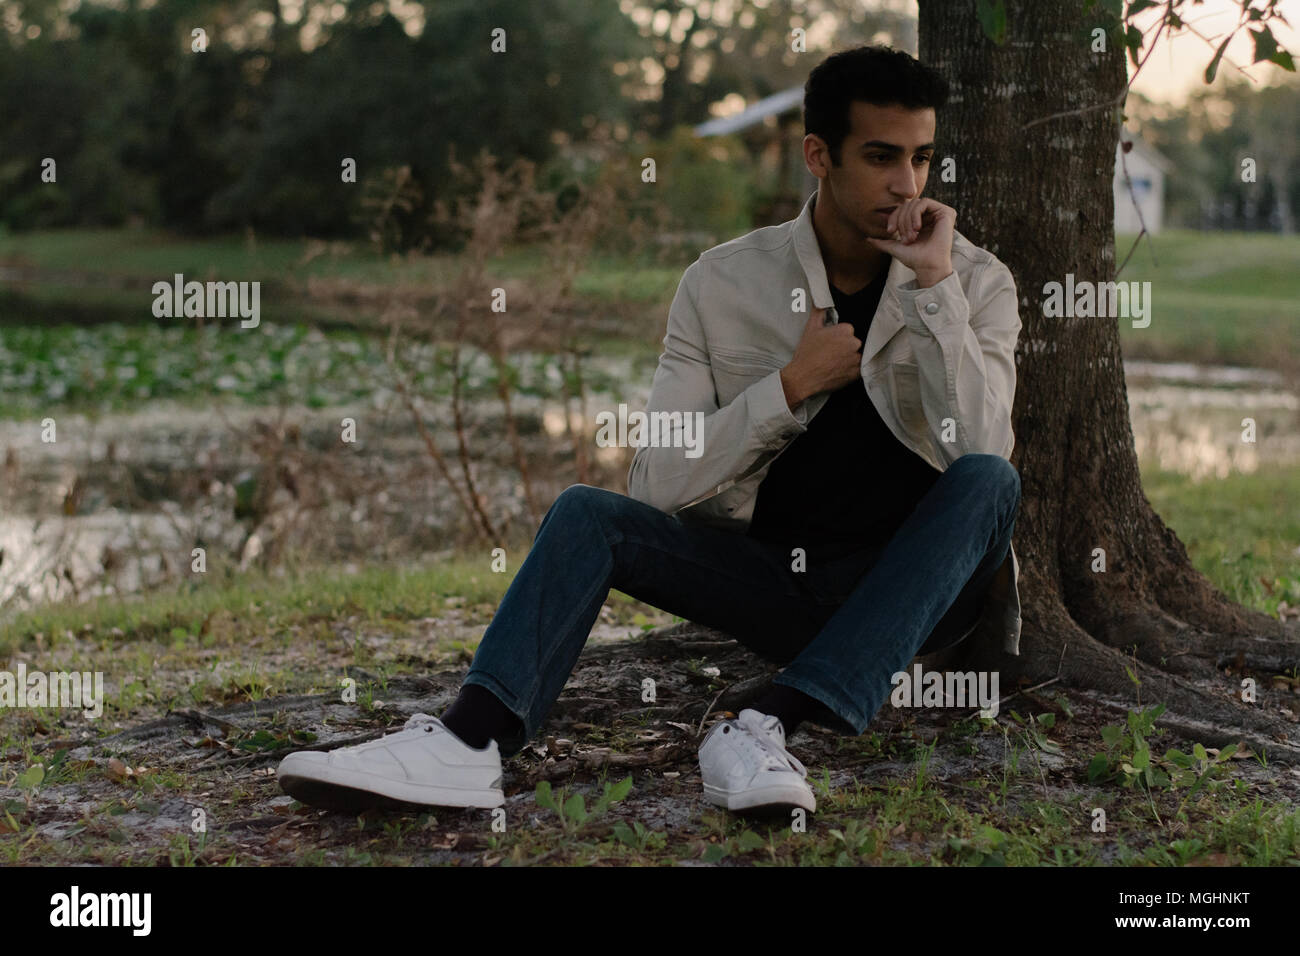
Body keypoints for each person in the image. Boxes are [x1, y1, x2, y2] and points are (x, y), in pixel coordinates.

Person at [277, 44, 1024, 817]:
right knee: (586, 513)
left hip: (911, 592)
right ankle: (469, 743)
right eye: (880, 157)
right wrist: (789, 386)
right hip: (770, 580)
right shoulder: (721, 283)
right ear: (818, 156)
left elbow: (980, 452)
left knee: (991, 480)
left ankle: (765, 722)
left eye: (920, 159)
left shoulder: (973, 281)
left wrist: (934, 290)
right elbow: (658, 479)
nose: (906, 185)